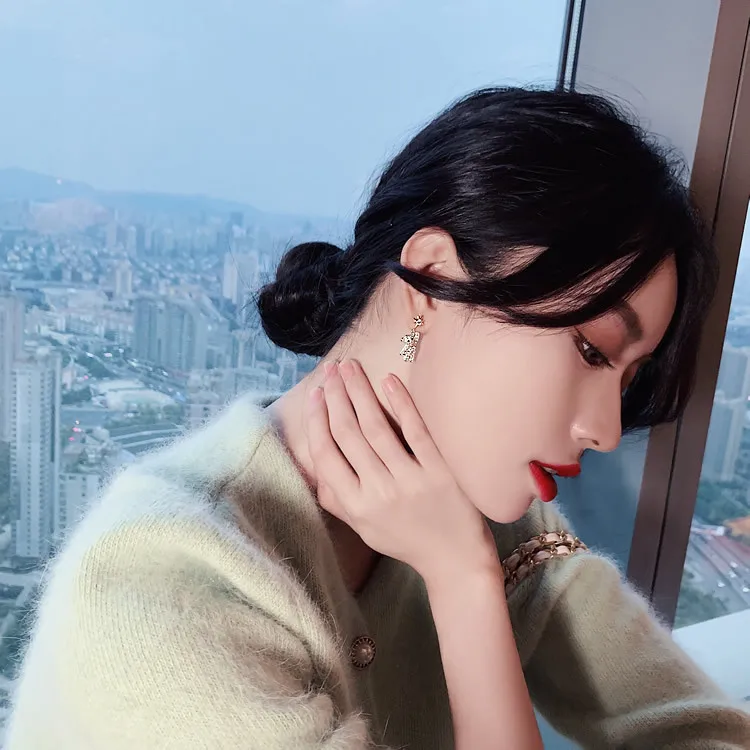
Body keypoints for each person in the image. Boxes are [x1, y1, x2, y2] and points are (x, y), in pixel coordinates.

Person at [7, 87, 750, 749]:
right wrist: (463, 581)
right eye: (591, 349)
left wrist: (464, 571)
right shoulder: (163, 589)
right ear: (433, 276)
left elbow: (706, 735)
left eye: (627, 379)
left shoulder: (486, 526)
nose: (607, 430)